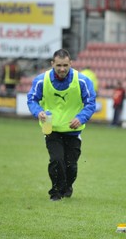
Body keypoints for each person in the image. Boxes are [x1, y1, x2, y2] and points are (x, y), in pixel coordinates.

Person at [27, 49, 96, 201]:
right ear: (52, 64)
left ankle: (67, 186)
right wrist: (38, 112)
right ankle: (55, 192)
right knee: (56, 160)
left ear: (71, 63)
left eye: (65, 65)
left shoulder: (82, 81)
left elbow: (90, 103)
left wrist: (81, 117)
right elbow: (32, 99)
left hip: (73, 129)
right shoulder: (41, 80)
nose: (62, 69)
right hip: (50, 127)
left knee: (71, 165)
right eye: (58, 65)